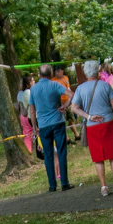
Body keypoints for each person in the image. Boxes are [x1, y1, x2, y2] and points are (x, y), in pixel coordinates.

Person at [72, 59, 113, 197]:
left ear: (85, 73)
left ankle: (103, 186)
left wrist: (89, 117)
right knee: (112, 155)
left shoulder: (80, 89)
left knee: (98, 157)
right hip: (108, 122)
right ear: (97, 71)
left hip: (92, 126)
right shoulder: (105, 86)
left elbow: (74, 108)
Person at [31, 64, 74, 192]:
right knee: (61, 152)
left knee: (48, 155)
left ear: (39, 75)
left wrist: (34, 127)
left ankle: (52, 185)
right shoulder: (55, 85)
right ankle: (64, 182)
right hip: (57, 122)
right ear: (50, 74)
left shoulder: (33, 89)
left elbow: (32, 111)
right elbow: (71, 94)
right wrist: (65, 105)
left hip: (43, 125)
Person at [53, 67, 80, 143]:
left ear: (62, 71)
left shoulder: (66, 78)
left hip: (68, 102)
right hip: (60, 104)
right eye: (55, 71)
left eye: (58, 71)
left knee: (71, 118)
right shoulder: (53, 81)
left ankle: (76, 135)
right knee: (62, 121)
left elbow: (69, 89)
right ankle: (66, 138)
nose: (57, 73)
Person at [16, 74, 37, 155]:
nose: (34, 82)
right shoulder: (27, 92)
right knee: (30, 134)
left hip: (24, 116)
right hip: (27, 116)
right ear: (28, 83)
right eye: (32, 80)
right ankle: (29, 152)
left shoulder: (20, 93)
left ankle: (30, 151)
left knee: (28, 135)